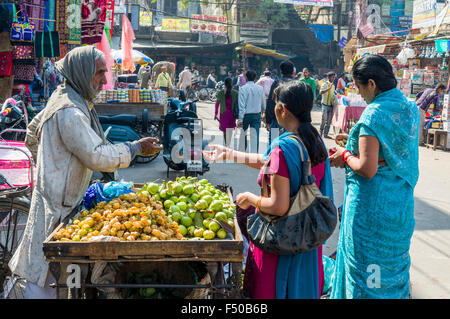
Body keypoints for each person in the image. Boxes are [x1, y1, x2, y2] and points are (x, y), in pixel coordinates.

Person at [8, 46, 163, 299]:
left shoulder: (65, 95)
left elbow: (31, 135)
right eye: (99, 72)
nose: (105, 79)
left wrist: (51, 165)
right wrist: (134, 148)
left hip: (57, 198)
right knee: (45, 274)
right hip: (58, 204)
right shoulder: (70, 110)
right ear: (82, 72)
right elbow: (97, 155)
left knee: (49, 271)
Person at [203, 81, 333, 298]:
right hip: (307, 238)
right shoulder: (313, 138)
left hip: (283, 244)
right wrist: (229, 153)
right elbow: (269, 163)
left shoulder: (284, 147)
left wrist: (249, 198)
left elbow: (278, 206)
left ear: (282, 109)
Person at [328, 55, 419, 299]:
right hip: (399, 206)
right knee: (389, 266)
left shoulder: (373, 115)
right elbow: (393, 152)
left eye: (359, 87)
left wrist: (345, 154)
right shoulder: (410, 108)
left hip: (373, 210)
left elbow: (368, 168)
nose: (359, 93)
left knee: (368, 271)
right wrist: (353, 140)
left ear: (371, 83)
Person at [265, 60, 296, 144]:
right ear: (293, 71)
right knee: (289, 146)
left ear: (281, 71)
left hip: (277, 119)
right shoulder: (297, 84)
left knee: (274, 146)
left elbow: (271, 102)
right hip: (292, 122)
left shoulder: (276, 83)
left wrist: (268, 120)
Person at [237, 70, 266, 153]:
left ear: (246, 78)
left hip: (245, 115)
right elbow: (263, 104)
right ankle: (254, 154)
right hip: (256, 115)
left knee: (243, 134)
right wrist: (263, 111)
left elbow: (241, 106)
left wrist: (240, 119)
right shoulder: (260, 88)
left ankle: (242, 153)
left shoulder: (242, 89)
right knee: (255, 135)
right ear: (255, 78)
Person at [214, 77, 239, 147]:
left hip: (224, 114)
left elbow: (217, 104)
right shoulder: (236, 93)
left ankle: (226, 144)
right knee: (230, 130)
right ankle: (228, 143)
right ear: (231, 84)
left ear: (224, 84)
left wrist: (216, 114)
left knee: (225, 131)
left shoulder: (220, 93)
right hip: (232, 114)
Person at [319, 72, 336, 139]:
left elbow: (333, 95)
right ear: (329, 77)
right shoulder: (325, 84)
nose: (333, 78)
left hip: (331, 105)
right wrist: (328, 89)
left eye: (334, 77)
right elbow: (321, 92)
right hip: (325, 104)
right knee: (324, 119)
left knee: (329, 121)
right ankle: (321, 132)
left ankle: (326, 134)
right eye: (332, 77)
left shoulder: (333, 86)